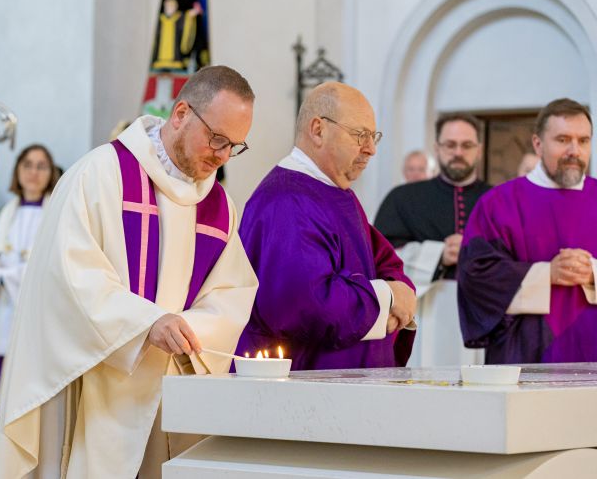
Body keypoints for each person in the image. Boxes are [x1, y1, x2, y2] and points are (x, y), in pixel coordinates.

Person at [0, 65, 258, 479]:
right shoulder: (100, 174)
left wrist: (188, 329)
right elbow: (70, 275)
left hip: (172, 396)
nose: (222, 156)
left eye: (235, 146)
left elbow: (232, 293)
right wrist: (145, 325)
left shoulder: (220, 205)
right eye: (217, 139)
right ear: (182, 113)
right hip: (95, 388)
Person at [235, 82, 416, 371]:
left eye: (373, 137)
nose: (370, 149)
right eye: (360, 135)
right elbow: (310, 304)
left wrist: (399, 294)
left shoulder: (336, 192)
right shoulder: (287, 200)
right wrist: (390, 299)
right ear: (318, 129)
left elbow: (384, 261)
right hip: (302, 388)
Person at [458, 98, 597, 364]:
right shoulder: (498, 203)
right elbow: (475, 275)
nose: (574, 150)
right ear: (537, 144)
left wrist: (592, 272)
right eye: (563, 139)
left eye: (583, 141)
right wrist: (546, 274)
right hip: (523, 350)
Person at [374, 114, 491, 366]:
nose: (458, 152)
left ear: (479, 150)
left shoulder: (497, 200)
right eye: (450, 145)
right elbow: (380, 260)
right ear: (437, 148)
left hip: (483, 312)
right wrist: (438, 255)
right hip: (426, 312)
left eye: (467, 145)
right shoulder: (403, 198)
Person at [0, 144, 60, 451]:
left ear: (51, 173)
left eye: (41, 166)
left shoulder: (57, 213)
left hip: (37, 325)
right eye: (27, 164)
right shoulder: (6, 214)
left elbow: (51, 267)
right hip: (3, 321)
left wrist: (3, 275)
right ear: (17, 171)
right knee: (0, 396)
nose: (33, 172)